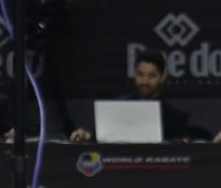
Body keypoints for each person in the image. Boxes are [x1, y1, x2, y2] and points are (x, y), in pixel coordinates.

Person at [70, 50, 204, 142]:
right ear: (134, 74)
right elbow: (98, 140)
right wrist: (86, 136)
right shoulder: (116, 109)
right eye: (140, 75)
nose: (144, 82)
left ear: (162, 77)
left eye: (151, 76)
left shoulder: (175, 118)